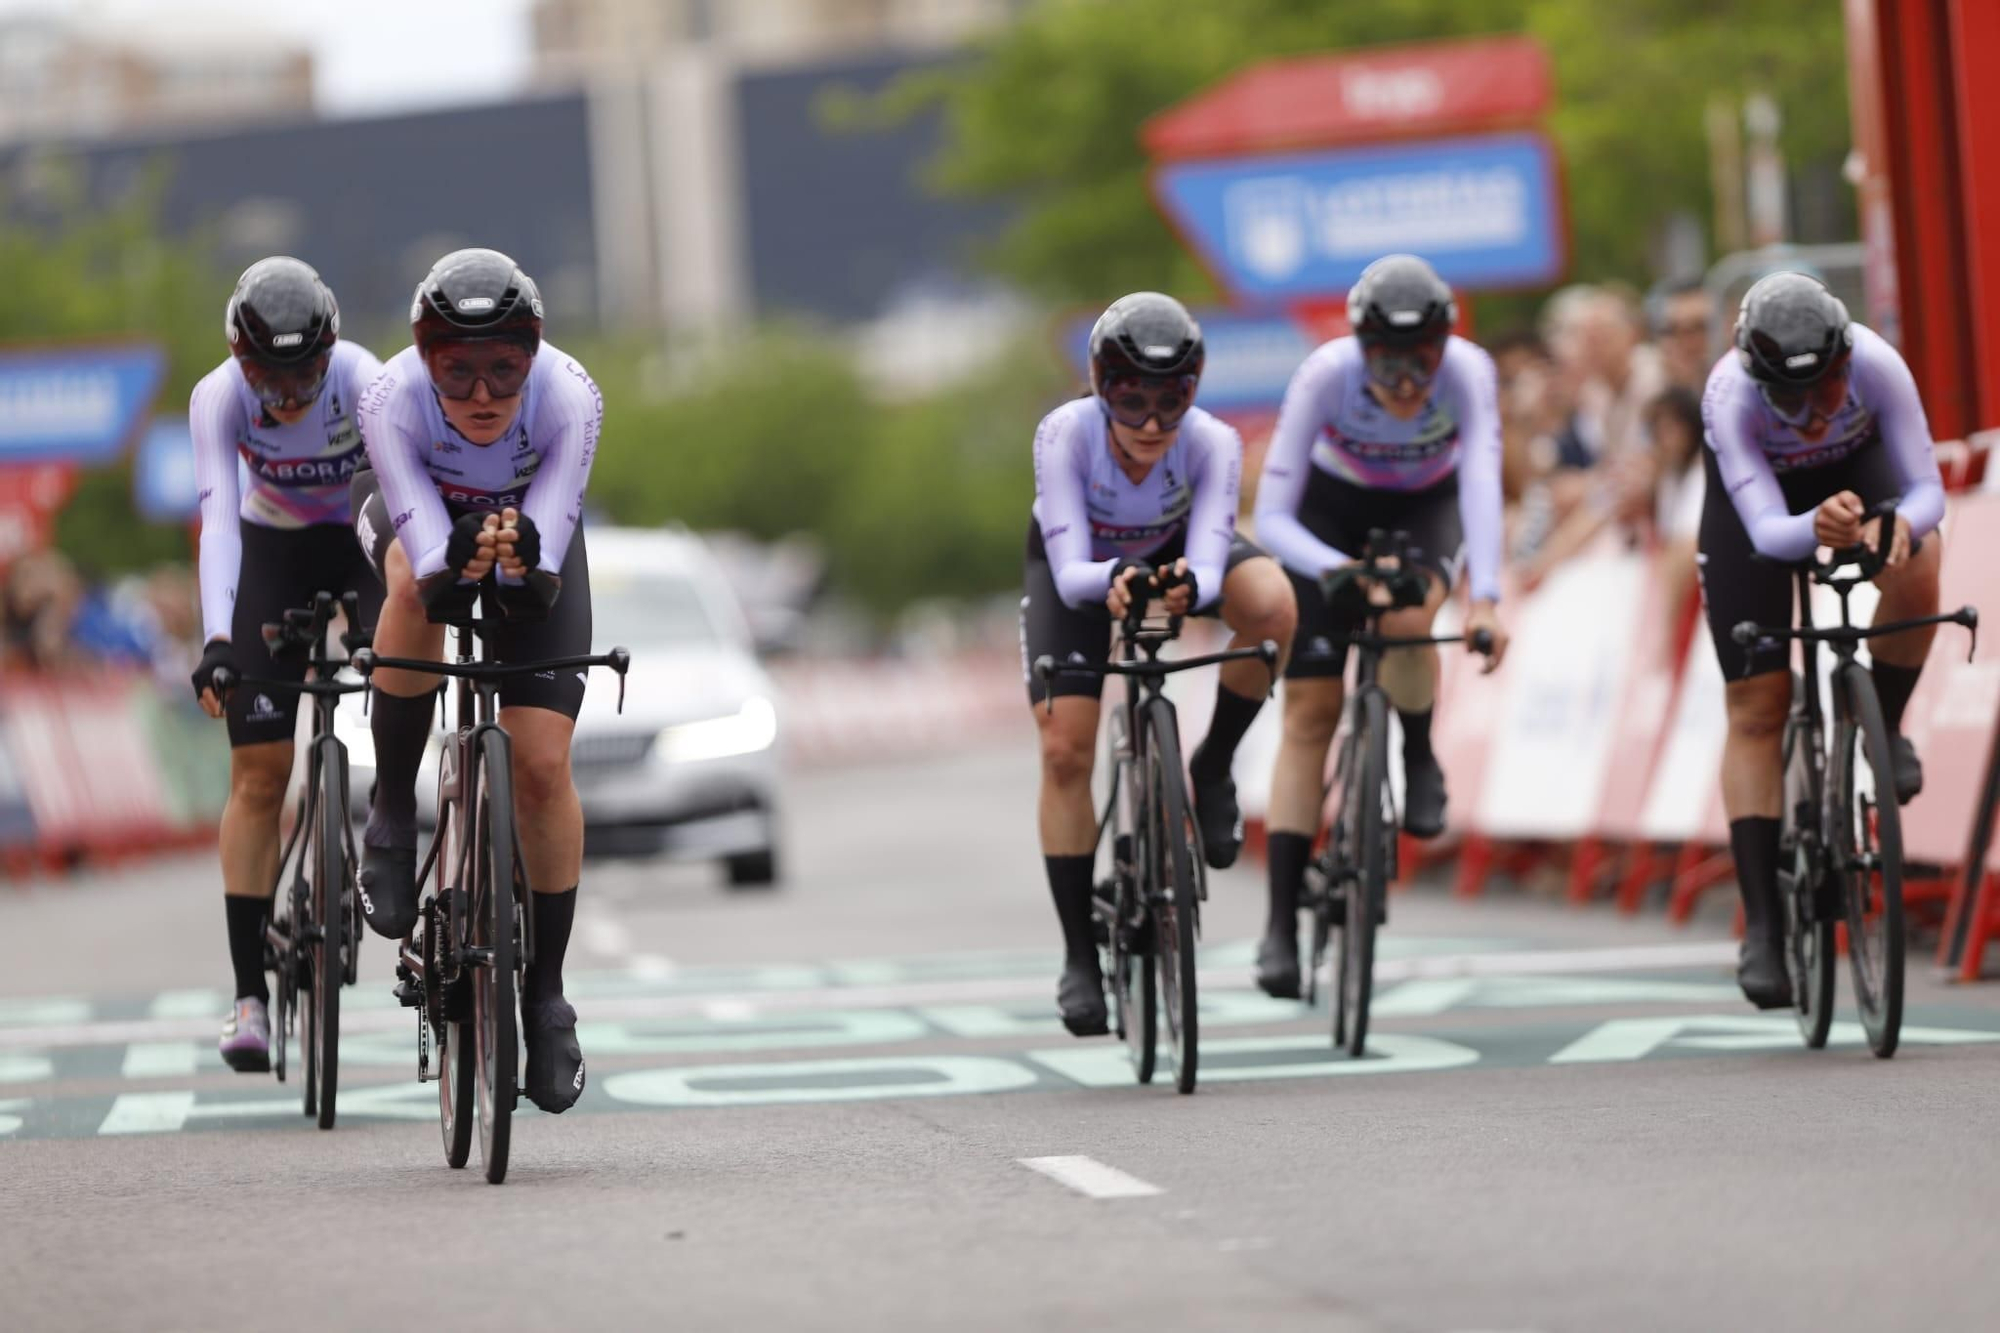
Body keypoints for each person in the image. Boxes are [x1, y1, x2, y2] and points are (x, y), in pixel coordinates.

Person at [351, 247, 602, 1112]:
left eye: (505, 371)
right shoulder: (390, 399)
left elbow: (539, 580)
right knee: (410, 591)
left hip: (532, 531)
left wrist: (522, 555)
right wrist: (451, 555)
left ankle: (548, 991)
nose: (484, 396)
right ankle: (390, 813)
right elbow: (428, 568)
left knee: (539, 764)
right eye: (459, 374)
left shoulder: (571, 396)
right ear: (426, 362)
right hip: (420, 520)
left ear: (534, 360)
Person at [1025, 292, 1296, 1036]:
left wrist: (1186, 589)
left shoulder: (1209, 441)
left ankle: (1211, 769)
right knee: (1064, 748)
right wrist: (1114, 581)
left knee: (1273, 603)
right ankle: (1081, 956)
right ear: (1099, 384)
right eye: (1128, 398)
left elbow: (1210, 562)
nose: (1149, 422)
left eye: (1169, 400)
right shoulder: (1065, 433)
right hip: (1083, 573)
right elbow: (1070, 562)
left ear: (1194, 392)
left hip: (1177, 558)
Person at [1250, 254, 1508, 1000]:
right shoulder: (1324, 374)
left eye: (1419, 360)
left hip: (1423, 508)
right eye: (1386, 362)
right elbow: (1272, 515)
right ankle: (1277, 926)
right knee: (1310, 713)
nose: (1403, 381)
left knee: (1406, 614)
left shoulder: (1468, 371)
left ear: (1443, 346)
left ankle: (1419, 755)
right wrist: (1336, 568)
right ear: (1361, 347)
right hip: (1326, 514)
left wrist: (1485, 596)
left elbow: (1482, 477)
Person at [1699, 271, 1944, 1009]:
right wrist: (1819, 529)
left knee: (1922, 557)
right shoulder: (1729, 393)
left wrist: (1894, 523)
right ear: (1756, 379)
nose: (1808, 416)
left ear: (1845, 365)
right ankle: (1765, 927)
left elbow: (1926, 487)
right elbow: (1771, 532)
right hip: (1761, 509)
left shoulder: (1875, 362)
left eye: (1826, 393)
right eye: (1788, 398)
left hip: (1858, 474)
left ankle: (1885, 727)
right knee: (1755, 705)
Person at [186, 256, 385, 1073]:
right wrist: (218, 641)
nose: (290, 394)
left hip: (360, 537)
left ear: (330, 352)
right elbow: (218, 521)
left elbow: (395, 494)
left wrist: (382, 624)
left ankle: (396, 872)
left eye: (305, 372)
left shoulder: (365, 380)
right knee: (260, 774)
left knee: (400, 674)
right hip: (270, 548)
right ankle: (249, 996)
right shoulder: (219, 398)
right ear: (240, 359)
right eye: (269, 376)